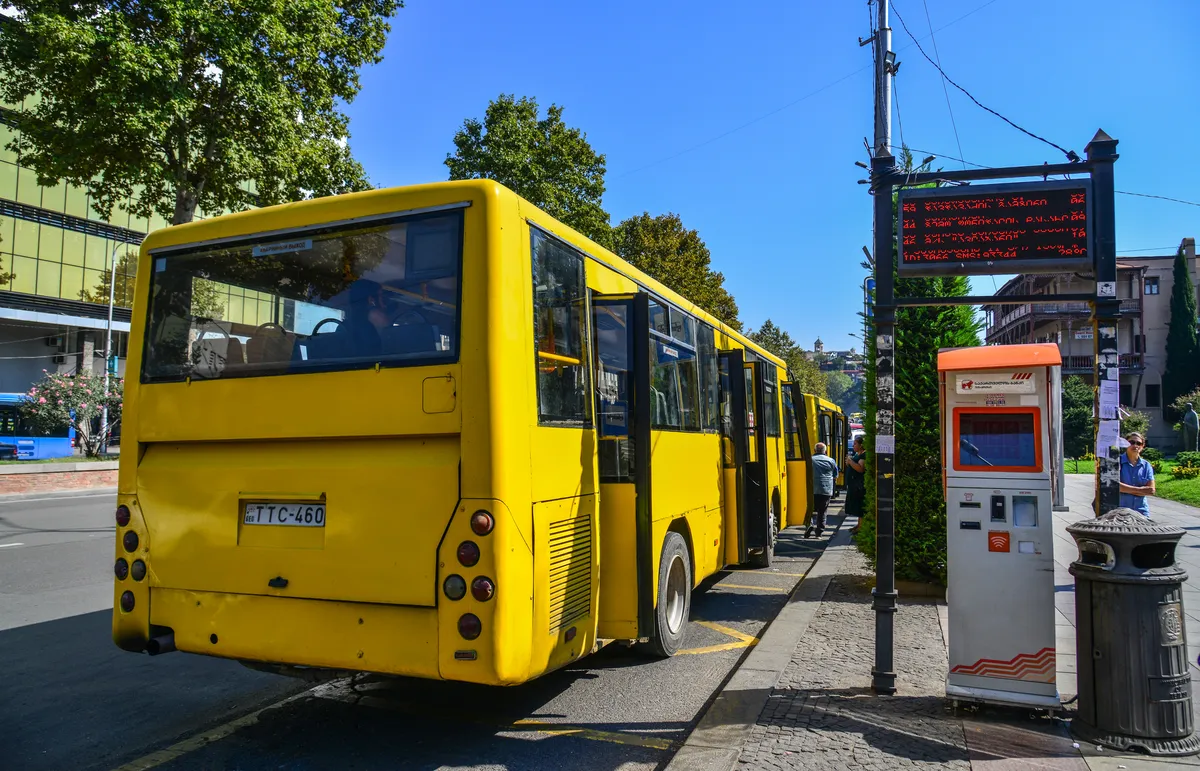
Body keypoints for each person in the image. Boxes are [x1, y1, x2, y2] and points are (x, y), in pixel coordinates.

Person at [806, 442, 840, 538]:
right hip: (826, 490)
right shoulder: (831, 461)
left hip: (812, 489)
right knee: (822, 511)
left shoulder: (810, 460)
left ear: (814, 450)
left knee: (809, 509)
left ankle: (809, 525)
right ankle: (819, 532)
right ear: (825, 451)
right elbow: (835, 476)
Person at [1119, 431, 1155, 518]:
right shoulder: (1117, 462)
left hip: (1141, 511)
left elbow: (1151, 490)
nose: (1135, 446)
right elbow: (1115, 486)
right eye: (1131, 442)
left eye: (1138, 443)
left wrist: (1125, 489)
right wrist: (1140, 490)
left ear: (1142, 446)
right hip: (1120, 511)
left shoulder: (1146, 465)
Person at [845, 436, 866, 535]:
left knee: (859, 505)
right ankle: (858, 524)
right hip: (853, 484)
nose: (853, 446)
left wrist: (850, 461)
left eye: (855, 444)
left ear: (861, 445)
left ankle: (861, 526)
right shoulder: (857, 454)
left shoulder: (864, 455)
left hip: (858, 485)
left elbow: (860, 469)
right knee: (857, 505)